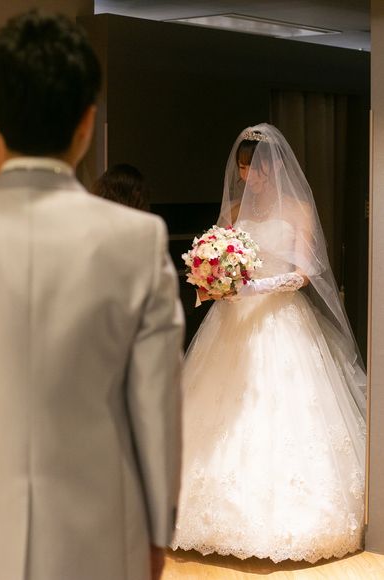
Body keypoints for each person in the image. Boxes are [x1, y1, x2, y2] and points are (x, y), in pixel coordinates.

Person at [0, 10, 184, 580]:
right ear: (86, 120)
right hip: (102, 530)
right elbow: (156, 403)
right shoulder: (138, 241)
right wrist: (156, 531)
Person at [172, 123, 366, 563]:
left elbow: (304, 274)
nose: (248, 177)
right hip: (232, 321)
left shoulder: (297, 210)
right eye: (243, 169)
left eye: (254, 168)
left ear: (273, 167)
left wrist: (258, 287)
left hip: (280, 318)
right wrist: (215, 281)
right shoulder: (234, 210)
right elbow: (217, 256)